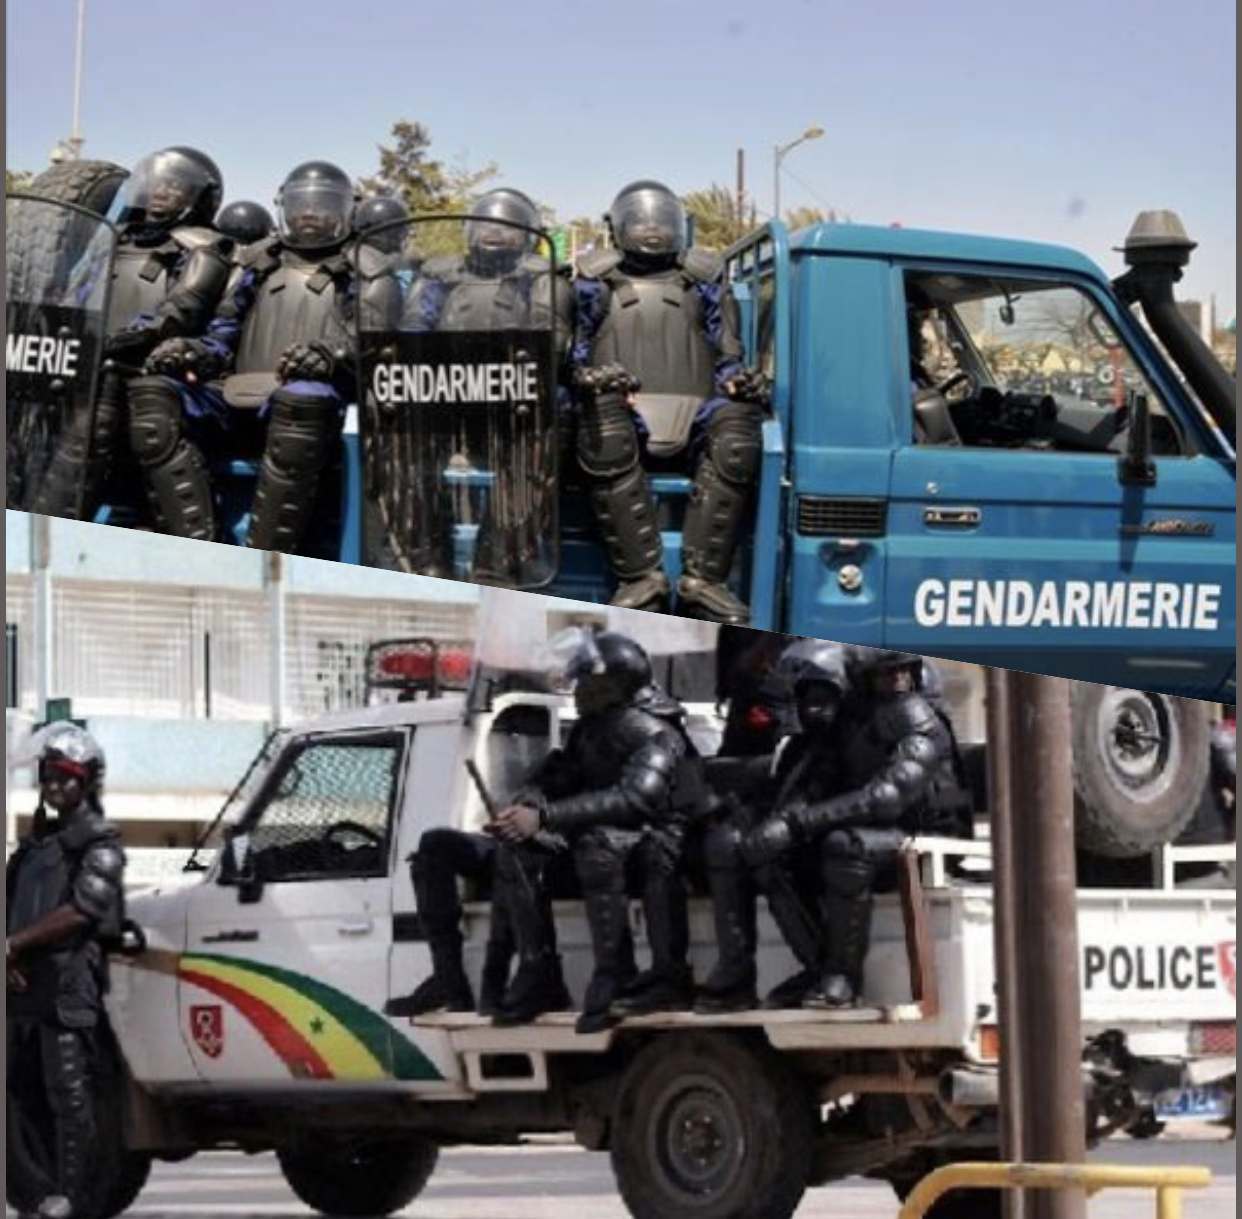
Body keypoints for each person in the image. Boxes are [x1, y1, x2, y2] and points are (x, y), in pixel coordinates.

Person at [138, 161, 401, 549]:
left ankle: (265, 555)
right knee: (153, 391)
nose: (309, 212)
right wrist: (191, 351)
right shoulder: (256, 260)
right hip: (237, 393)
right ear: (283, 205)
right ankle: (195, 543)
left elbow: (370, 341)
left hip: (317, 407)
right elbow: (223, 332)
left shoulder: (369, 270)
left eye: (322, 204)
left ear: (347, 209)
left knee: (303, 397)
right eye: (301, 203)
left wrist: (329, 355)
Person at [490, 630, 708, 1033]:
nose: (576, 688)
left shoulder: (654, 730)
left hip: (661, 844)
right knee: (516, 851)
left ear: (611, 685)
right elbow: (564, 775)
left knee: (597, 845)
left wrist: (546, 817)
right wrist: (530, 802)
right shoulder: (595, 728)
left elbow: (635, 799)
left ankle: (616, 973)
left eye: (585, 680)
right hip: (620, 842)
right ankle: (538, 971)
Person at [571, 180, 768, 624]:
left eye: (661, 220)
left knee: (739, 425)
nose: (653, 229)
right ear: (619, 225)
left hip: (696, 413)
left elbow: (727, 356)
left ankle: (705, 583)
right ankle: (641, 579)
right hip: (622, 411)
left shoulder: (703, 279)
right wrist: (591, 377)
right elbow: (575, 354)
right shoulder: (593, 280)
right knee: (599, 423)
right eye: (641, 220)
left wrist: (742, 382)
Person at [33, 147, 232, 524]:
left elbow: (181, 309)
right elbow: (75, 299)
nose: (160, 193)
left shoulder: (204, 248)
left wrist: (131, 336)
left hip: (158, 368)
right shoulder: (111, 243)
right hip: (89, 363)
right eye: (156, 184)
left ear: (199, 198)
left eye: (174, 187)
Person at [394, 187, 572, 582]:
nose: (493, 233)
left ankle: (497, 555)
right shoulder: (440, 275)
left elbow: (550, 335)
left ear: (526, 235)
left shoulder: (542, 278)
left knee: (548, 416)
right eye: (485, 224)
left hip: (511, 402)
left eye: (506, 227)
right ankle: (428, 551)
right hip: (448, 394)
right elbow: (413, 328)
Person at [7, 724, 126, 1219]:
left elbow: (83, 909)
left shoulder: (100, 845)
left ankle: (74, 1203)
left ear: (87, 782)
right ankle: (38, 1197)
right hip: (21, 992)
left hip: (66, 995)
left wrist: (13, 945)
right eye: (48, 776)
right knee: (16, 1100)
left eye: (65, 777)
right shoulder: (34, 850)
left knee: (69, 1101)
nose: (54, 786)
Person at [384, 826, 572, 1023]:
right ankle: (448, 979)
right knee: (434, 843)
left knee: (516, 851)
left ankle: (539, 977)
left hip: (560, 849)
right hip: (509, 840)